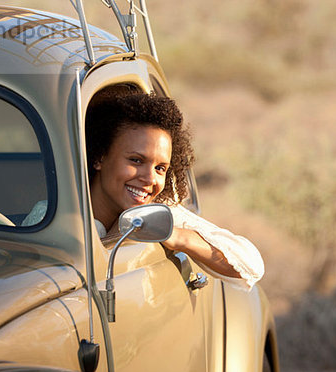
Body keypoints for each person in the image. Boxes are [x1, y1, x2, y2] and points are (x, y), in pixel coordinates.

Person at [85, 88, 263, 291]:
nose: (150, 178)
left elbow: (251, 266)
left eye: (160, 168)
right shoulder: (52, 210)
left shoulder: (156, 211)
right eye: (136, 160)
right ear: (100, 156)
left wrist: (177, 237)